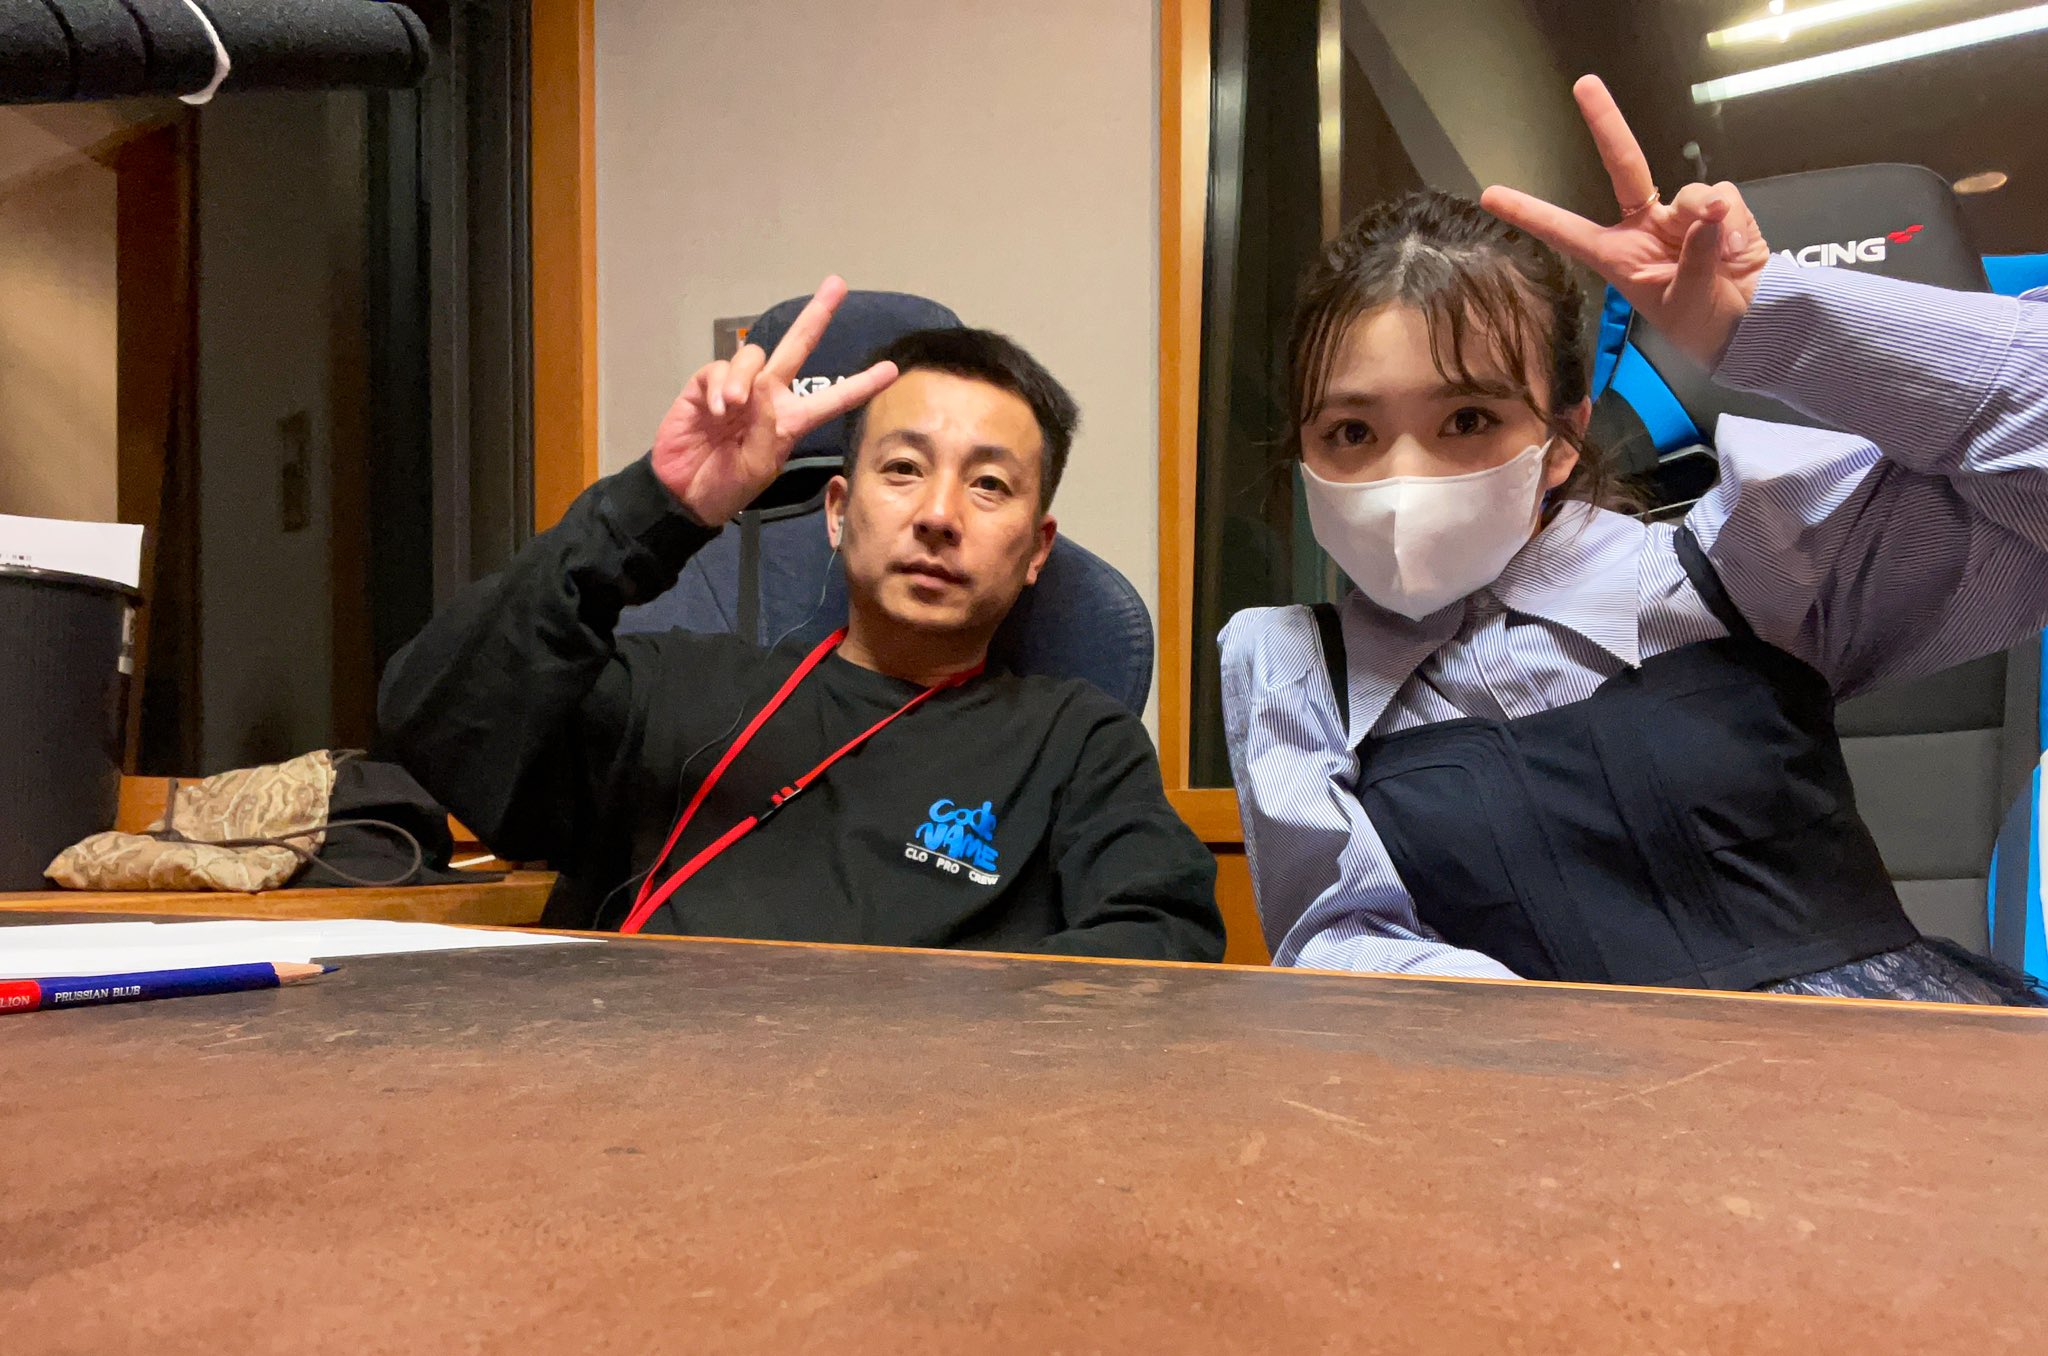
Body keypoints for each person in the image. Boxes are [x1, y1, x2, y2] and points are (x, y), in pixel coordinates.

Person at [1221, 77, 2048, 1003]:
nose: (1402, 480)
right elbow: (1343, 940)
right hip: (1544, 1082)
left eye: (1467, 419)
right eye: (1351, 432)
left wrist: (1766, 321)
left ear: (1563, 438)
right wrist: (1594, 1057)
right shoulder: (1296, 672)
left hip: (1892, 1063)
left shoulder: (1743, 562)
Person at [381, 279, 1223, 961]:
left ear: (1037, 549)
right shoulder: (673, 689)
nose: (939, 514)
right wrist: (656, 505)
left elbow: (1165, 938)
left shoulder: (1076, 744)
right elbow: (436, 722)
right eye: (904, 468)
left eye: (989, 484)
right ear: (837, 511)